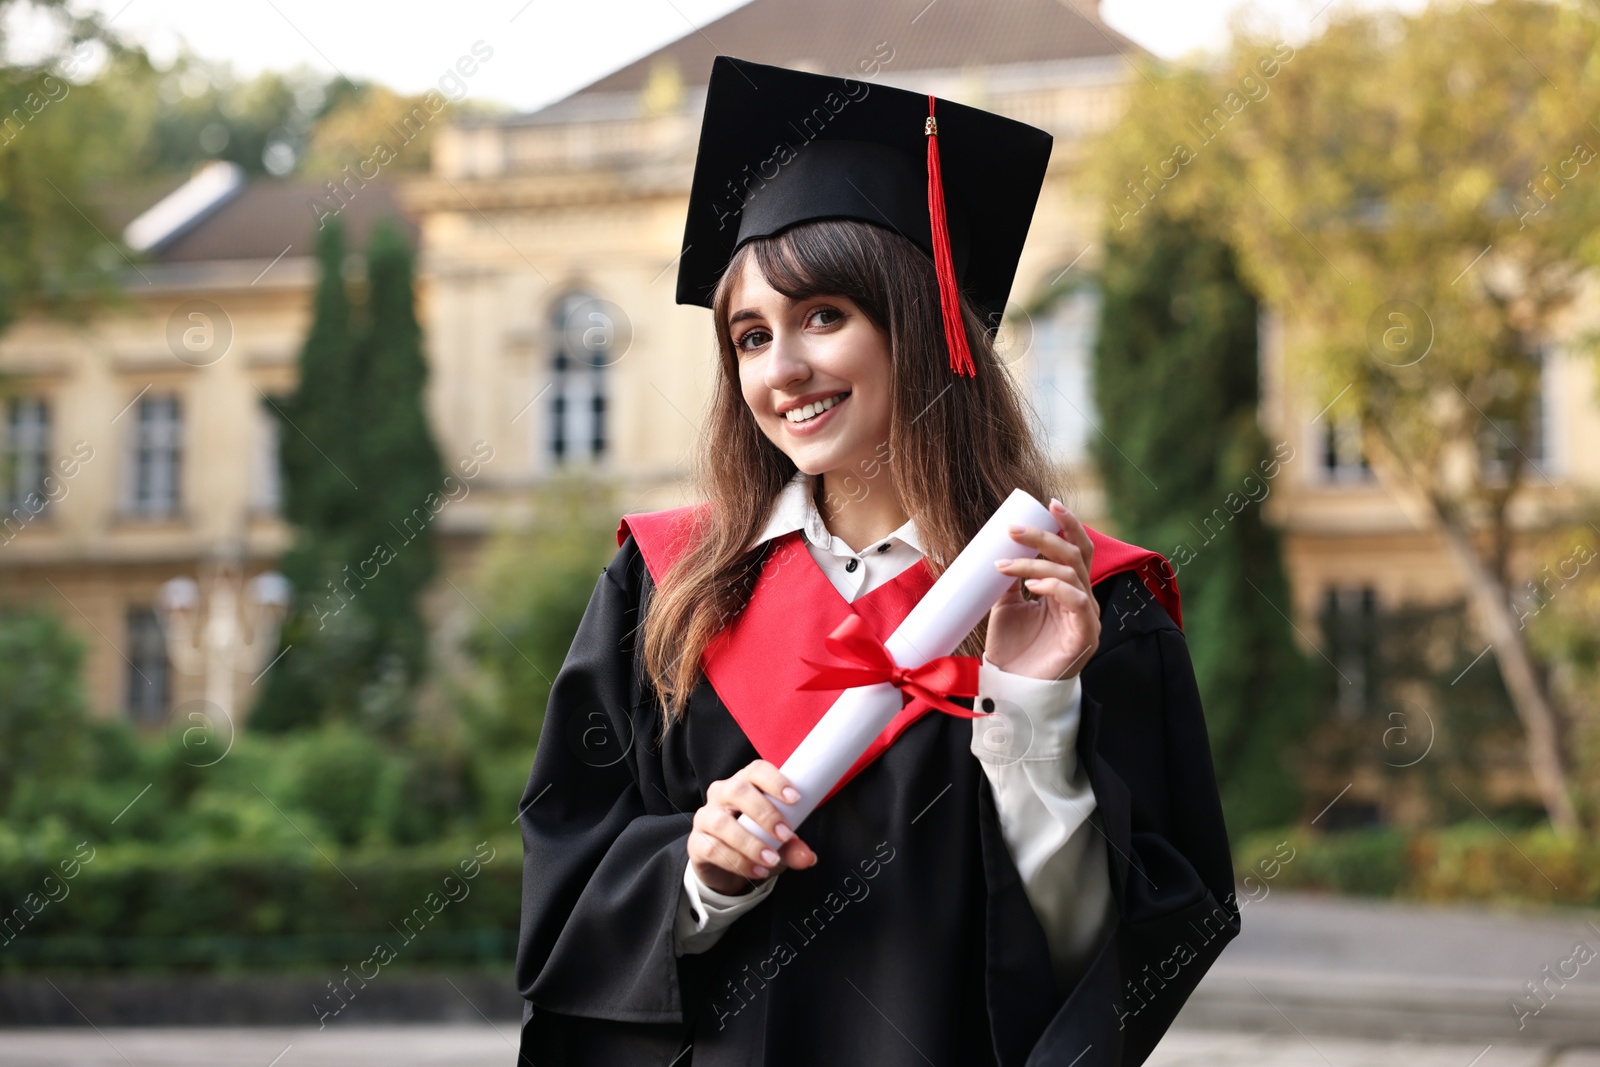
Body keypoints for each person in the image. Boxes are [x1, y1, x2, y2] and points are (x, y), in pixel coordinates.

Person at [515, 56, 1238, 1067]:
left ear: (922, 319)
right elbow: (565, 898)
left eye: (824, 316)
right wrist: (701, 872)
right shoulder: (663, 584)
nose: (784, 369)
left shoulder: (1080, 600)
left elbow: (1107, 954)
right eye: (750, 335)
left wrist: (1029, 710)